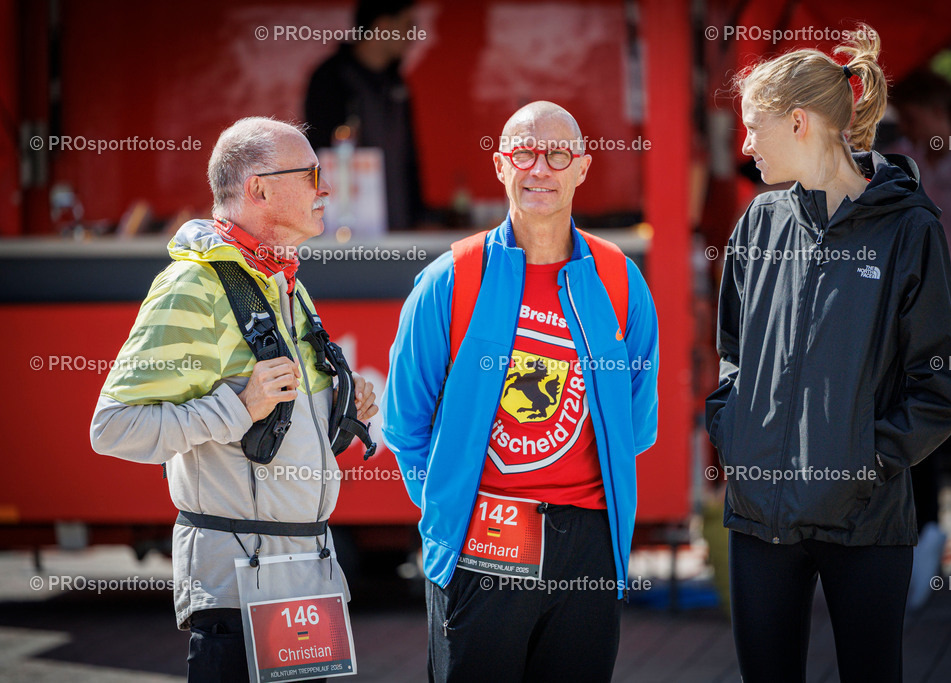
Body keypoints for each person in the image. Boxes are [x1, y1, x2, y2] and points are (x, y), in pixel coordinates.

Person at [706, 27, 951, 682]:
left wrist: (866, 461)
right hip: (760, 518)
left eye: (753, 129)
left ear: (798, 122)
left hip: (866, 521)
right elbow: (732, 353)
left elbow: (940, 385)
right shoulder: (758, 222)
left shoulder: (910, 229)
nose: (745, 146)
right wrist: (735, 433)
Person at [90, 117, 378, 682]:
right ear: (259, 189)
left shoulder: (283, 281)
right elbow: (113, 428)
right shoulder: (193, 286)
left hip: (308, 580)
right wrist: (239, 408)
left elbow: (280, 419)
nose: (325, 188)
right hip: (238, 591)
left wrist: (342, 407)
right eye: (311, 174)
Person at [381, 101, 659, 682]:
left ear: (582, 167)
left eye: (557, 154)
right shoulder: (450, 279)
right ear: (500, 164)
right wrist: (450, 513)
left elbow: (635, 421)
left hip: (589, 544)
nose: (540, 169)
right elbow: (405, 423)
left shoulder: (618, 279)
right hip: (482, 539)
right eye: (525, 152)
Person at [888, 69, 951, 609]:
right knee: (919, 430)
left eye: (914, 118)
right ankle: (922, 539)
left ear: (941, 112)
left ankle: (938, 539)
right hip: (922, 313)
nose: (909, 129)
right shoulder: (906, 163)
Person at [305, 0, 423, 230]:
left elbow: (409, 157)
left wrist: (418, 215)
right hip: (342, 230)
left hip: (400, 228)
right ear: (383, 25)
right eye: (408, 26)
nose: (412, 36)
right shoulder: (331, 79)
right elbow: (316, 156)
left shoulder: (396, 82)